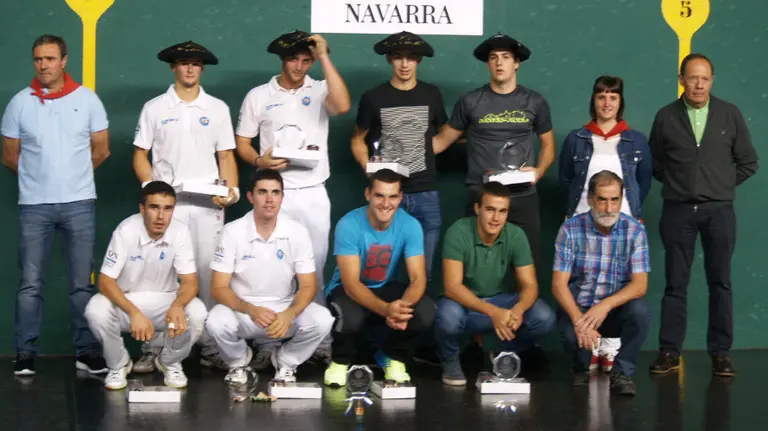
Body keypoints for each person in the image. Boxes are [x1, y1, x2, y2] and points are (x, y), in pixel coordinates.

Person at [235, 30, 351, 367]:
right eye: (293, 59)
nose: (299, 66)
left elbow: (343, 105)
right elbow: (242, 143)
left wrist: (324, 55)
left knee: (313, 268)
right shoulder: (258, 95)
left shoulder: (320, 89)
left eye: (306, 60)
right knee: (271, 270)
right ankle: (268, 340)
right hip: (274, 193)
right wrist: (260, 161)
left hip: (313, 192)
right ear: (281, 60)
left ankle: (319, 341)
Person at [1, 34, 110, 376]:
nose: (43, 65)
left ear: (64, 61)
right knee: (30, 283)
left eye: (50, 59)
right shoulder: (19, 103)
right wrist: (39, 179)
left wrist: (73, 178)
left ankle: (86, 351)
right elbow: (9, 155)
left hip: (79, 204)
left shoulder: (87, 100)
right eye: (38, 59)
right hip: (34, 206)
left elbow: (101, 149)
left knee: (82, 283)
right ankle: (25, 353)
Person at [648, 53, 759, 377]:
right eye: (693, 77)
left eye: (704, 78)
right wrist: (682, 184)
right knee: (675, 284)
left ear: (712, 81)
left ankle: (721, 354)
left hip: (719, 212)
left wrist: (719, 185)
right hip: (678, 210)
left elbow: (748, 161)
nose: (698, 84)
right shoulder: (665, 116)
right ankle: (669, 352)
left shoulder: (730, 114)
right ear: (681, 79)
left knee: (720, 283)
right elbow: (655, 163)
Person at [131, 40, 239, 371]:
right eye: (184, 63)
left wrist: (231, 191)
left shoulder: (217, 108)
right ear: (173, 67)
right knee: (161, 275)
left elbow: (226, 156)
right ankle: (154, 347)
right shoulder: (154, 107)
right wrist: (152, 192)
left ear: (202, 69)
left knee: (207, 275)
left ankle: (208, 347)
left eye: (195, 63)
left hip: (207, 207)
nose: (190, 68)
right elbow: (140, 154)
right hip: (168, 208)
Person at [432, 33, 555, 269]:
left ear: (516, 63)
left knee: (527, 267)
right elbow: (440, 142)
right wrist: (399, 153)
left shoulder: (535, 101)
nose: (499, 63)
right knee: (476, 267)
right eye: (493, 57)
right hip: (481, 196)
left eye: (506, 57)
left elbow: (548, 146)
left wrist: (538, 172)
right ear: (488, 63)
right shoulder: (470, 101)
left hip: (522, 197)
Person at [558, 76, 653, 372]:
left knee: (625, 294)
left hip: (621, 229)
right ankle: (586, 344)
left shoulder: (636, 140)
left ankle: (613, 351)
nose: (607, 102)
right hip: (582, 228)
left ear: (621, 102)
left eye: (613, 97)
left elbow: (644, 181)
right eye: (601, 96)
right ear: (594, 100)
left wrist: (627, 212)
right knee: (581, 290)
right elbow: (565, 179)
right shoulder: (576, 138)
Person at [205, 169, 334, 384]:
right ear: (250, 197)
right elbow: (218, 288)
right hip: (244, 310)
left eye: (275, 192)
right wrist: (250, 309)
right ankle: (238, 363)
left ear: (282, 197)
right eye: (262, 192)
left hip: (283, 309)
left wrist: (290, 313)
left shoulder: (297, 231)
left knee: (322, 319)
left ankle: (286, 362)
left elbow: (308, 285)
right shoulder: (232, 231)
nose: (269, 199)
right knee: (216, 321)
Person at [84, 181, 207, 390]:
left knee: (197, 311)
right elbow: (105, 281)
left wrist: (178, 305)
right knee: (95, 309)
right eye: (154, 207)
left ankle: (169, 361)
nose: (161, 216)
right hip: (127, 302)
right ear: (142, 209)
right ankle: (118, 364)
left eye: (167, 209)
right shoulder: (126, 230)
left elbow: (189, 281)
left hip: (165, 303)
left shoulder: (180, 231)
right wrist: (134, 313)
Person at [435, 181, 555, 386]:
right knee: (448, 316)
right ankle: (450, 361)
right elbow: (452, 287)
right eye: (490, 209)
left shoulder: (515, 234)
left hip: (502, 302)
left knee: (544, 317)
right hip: (465, 306)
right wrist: (493, 312)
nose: (496, 218)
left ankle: (503, 352)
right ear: (477, 209)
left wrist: (518, 309)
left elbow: (530, 285)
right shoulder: (458, 231)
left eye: (502, 211)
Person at [323, 169, 435, 387]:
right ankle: (339, 361)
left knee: (425, 311)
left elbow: (418, 278)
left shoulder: (410, 225)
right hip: (345, 289)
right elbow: (351, 284)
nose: (386, 204)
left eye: (392, 197)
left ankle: (392, 357)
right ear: (368, 195)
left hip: (384, 287)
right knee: (351, 316)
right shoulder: (349, 224)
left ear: (400, 198)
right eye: (379, 196)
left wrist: (401, 309)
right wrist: (386, 310)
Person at [351, 31, 447, 286]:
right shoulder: (373, 97)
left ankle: (418, 312)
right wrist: (369, 169)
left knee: (423, 274)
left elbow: (445, 135)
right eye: (397, 57)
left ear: (419, 60)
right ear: (389, 59)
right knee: (384, 275)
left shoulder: (431, 94)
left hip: (426, 193)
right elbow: (357, 140)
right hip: (388, 195)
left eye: (411, 57)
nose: (404, 64)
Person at [552, 170, 651, 396]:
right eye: (602, 200)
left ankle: (622, 372)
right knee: (571, 338)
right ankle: (580, 367)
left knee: (641, 312)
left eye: (614, 200)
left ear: (622, 200)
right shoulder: (569, 229)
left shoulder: (635, 230)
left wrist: (604, 306)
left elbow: (640, 285)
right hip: (581, 309)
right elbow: (558, 285)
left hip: (615, 312)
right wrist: (580, 322)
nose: (608, 208)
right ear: (590, 199)